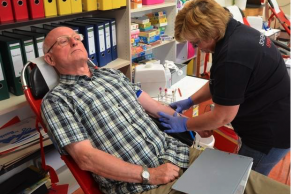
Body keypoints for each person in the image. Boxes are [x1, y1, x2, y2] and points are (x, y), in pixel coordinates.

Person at [40, 26, 289, 194]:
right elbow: (86, 158)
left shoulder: (111, 75)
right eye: (63, 41)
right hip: (144, 184)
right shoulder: (58, 100)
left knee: (264, 187)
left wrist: (195, 123)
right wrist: (149, 175)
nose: (74, 40)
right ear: (50, 60)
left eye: (77, 37)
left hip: (179, 155)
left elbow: (154, 107)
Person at [158, 0, 290, 176]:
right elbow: (220, 82)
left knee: (246, 182)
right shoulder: (234, 30)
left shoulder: (232, 56)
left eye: (196, 43)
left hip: (269, 135)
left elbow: (223, 116)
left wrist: (185, 123)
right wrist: (190, 101)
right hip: (275, 116)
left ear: (210, 33)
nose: (197, 49)